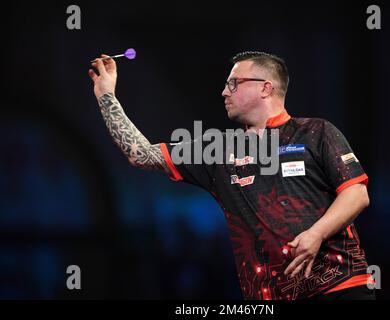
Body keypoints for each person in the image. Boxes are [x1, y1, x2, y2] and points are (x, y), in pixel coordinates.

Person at [88, 51, 375, 300]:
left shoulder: (317, 132)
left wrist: (316, 234)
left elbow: (357, 194)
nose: (224, 92)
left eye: (233, 84)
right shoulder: (219, 151)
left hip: (339, 285)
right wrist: (106, 95)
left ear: (266, 88)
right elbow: (141, 154)